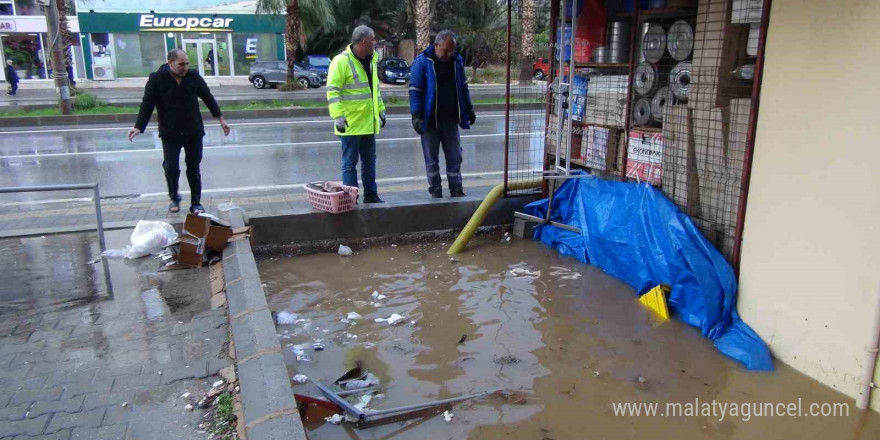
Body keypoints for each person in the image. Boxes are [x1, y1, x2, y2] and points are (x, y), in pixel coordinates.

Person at [128, 48, 230, 214]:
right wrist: (138, 126)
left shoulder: (194, 77)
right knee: (171, 167)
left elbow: (208, 97)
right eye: (182, 64)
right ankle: (174, 197)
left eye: (187, 64)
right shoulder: (157, 79)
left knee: (193, 167)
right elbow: (147, 104)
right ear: (171, 63)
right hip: (170, 132)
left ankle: (196, 202)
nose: (185, 67)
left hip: (193, 131)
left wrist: (221, 119)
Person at [408, 30, 475, 198]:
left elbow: (463, 88)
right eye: (446, 50)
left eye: (452, 50)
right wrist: (416, 115)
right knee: (431, 159)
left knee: (455, 156)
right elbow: (415, 91)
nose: (449, 53)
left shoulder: (456, 61)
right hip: (429, 120)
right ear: (436, 45)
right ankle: (435, 188)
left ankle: (456, 188)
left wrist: (469, 108)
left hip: (450, 119)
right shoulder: (422, 62)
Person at [326, 25, 387, 204]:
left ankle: (371, 194)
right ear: (364, 42)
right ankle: (350, 199)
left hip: (368, 122)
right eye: (373, 39)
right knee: (349, 164)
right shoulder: (341, 61)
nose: (375, 42)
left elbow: (374, 90)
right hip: (350, 123)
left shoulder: (372, 60)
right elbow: (333, 91)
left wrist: (381, 111)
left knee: (369, 162)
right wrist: (338, 116)